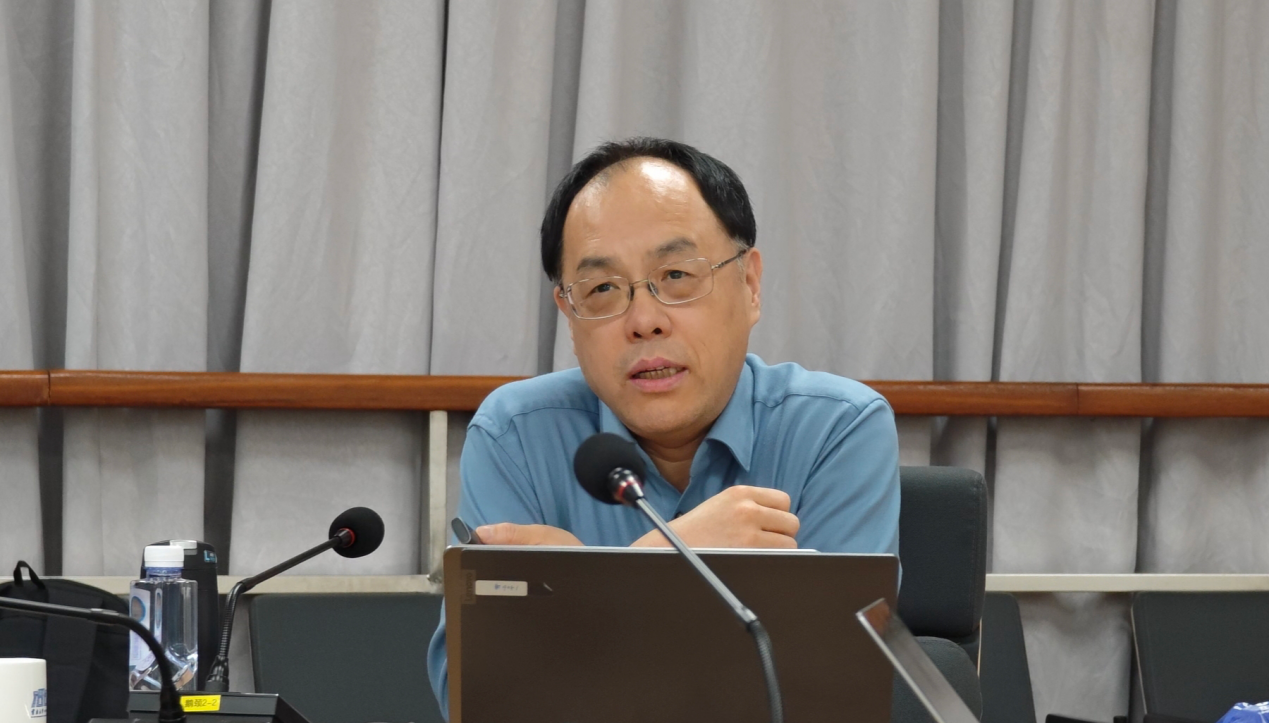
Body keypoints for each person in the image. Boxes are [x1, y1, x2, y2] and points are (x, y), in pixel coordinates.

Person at [426, 137, 900, 716]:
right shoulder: (515, 436)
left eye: (676, 275)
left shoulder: (838, 430)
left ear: (750, 285)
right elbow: (483, 699)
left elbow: (829, 694)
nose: (644, 321)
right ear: (569, 317)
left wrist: (577, 601)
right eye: (602, 289)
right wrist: (662, 561)